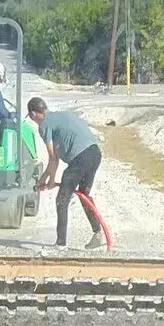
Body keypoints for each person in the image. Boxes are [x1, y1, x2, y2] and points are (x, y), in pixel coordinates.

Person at [30, 96, 104, 249]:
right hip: (95, 153)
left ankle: (61, 244)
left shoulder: (44, 125)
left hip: (80, 158)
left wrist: (48, 180)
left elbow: (53, 158)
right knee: (84, 194)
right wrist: (45, 180)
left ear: (33, 114)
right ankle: (97, 233)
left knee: (62, 200)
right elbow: (55, 159)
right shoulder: (62, 115)